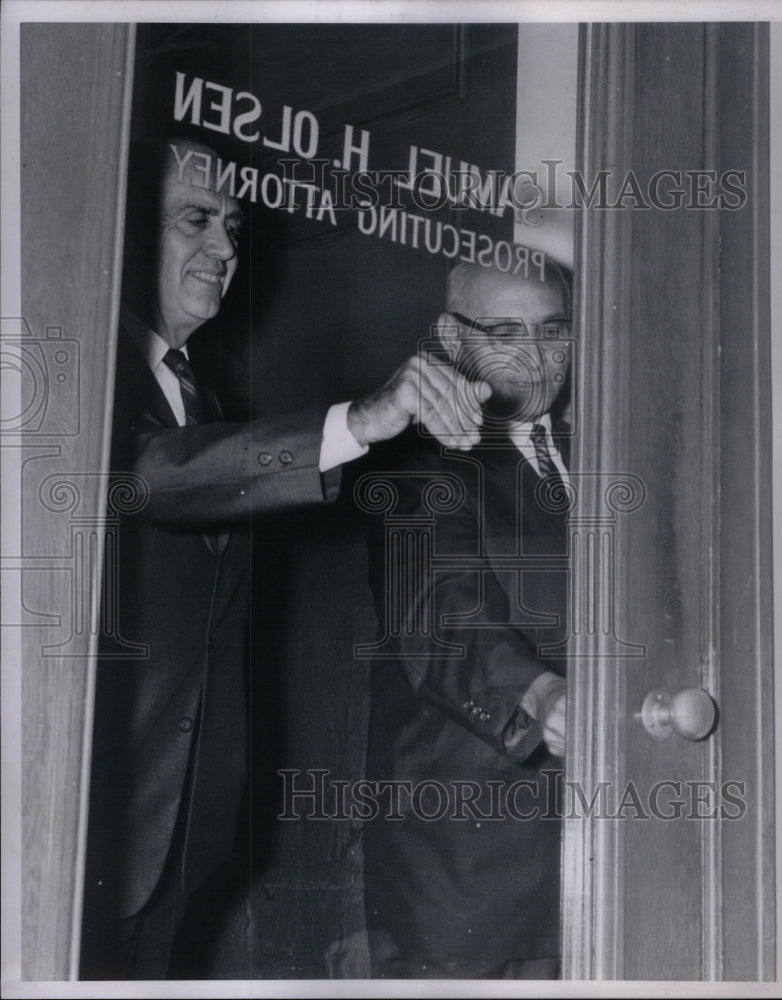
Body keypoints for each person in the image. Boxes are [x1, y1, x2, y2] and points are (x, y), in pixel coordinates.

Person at [79, 138, 490, 980]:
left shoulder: (200, 392)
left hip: (178, 830)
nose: (226, 250)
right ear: (121, 233)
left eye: (233, 225)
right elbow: (150, 475)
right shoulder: (80, 367)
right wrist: (358, 421)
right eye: (196, 220)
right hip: (87, 812)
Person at [362, 260, 572, 979]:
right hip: (468, 871)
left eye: (553, 332)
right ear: (453, 336)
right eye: (507, 332)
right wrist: (540, 695)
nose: (537, 358)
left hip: (595, 857)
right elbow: (443, 612)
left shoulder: (600, 455)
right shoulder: (416, 456)